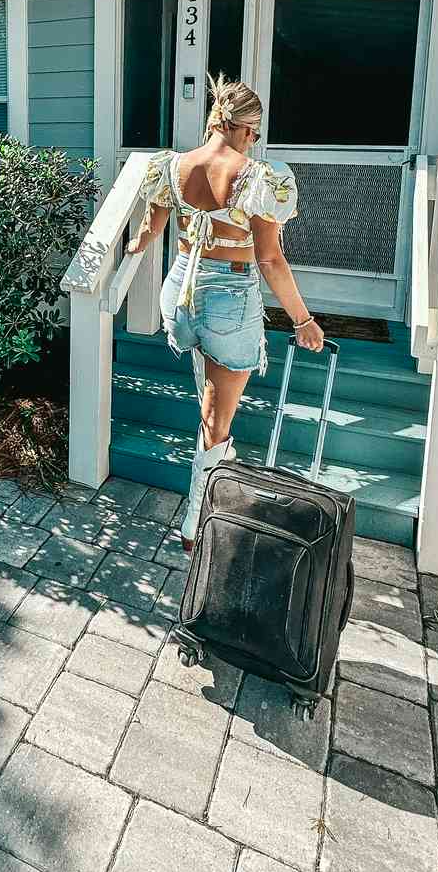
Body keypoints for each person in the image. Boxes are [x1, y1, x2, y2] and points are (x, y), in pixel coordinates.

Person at [126, 73, 325, 551]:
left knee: (208, 399)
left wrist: (139, 243)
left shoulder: (172, 166)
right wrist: (302, 319)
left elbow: (152, 226)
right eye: (255, 134)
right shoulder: (257, 176)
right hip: (227, 300)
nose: (255, 143)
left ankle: (216, 472)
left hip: (178, 294)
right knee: (218, 423)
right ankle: (196, 522)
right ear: (245, 128)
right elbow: (270, 258)